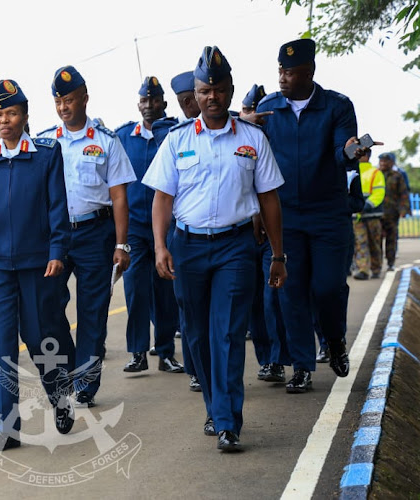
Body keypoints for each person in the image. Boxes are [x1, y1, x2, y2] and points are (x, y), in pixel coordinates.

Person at [144, 46, 286, 452]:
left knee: (226, 332)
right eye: (205, 90)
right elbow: (162, 200)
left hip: (236, 248)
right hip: (187, 247)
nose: (212, 97)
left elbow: (270, 201)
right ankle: (214, 405)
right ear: (197, 92)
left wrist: (278, 255)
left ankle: (227, 421)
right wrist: (159, 246)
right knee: (196, 334)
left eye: (219, 89)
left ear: (230, 90)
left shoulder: (253, 139)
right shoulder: (177, 141)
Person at [0, 79, 76, 452]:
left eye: (11, 113)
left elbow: (58, 207)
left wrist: (57, 251)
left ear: (25, 116)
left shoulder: (45, 155)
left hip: (35, 264)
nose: (4, 120)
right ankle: (7, 429)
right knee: (1, 348)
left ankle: (60, 397)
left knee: (40, 338)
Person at [252, 38, 363, 391]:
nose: (282, 77)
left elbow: (342, 149)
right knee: (290, 290)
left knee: (328, 287)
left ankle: (334, 340)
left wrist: (351, 151)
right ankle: (301, 366)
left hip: (329, 213)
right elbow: (255, 163)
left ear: (309, 72)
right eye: (280, 70)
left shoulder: (337, 107)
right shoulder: (268, 109)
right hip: (284, 217)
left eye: (289, 71)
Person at [38, 66, 135, 407]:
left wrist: (122, 244)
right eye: (58, 101)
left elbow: (120, 195)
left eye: (69, 100)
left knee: (93, 312)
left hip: (96, 233)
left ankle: (86, 384)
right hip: (57, 235)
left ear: (84, 98)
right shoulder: (45, 143)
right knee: (49, 307)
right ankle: (65, 365)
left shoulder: (106, 141)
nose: (64, 107)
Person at [115, 76, 184, 375]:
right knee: (135, 290)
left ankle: (166, 352)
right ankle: (137, 352)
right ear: (138, 103)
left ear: (163, 104)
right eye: (144, 100)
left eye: (154, 100)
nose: (149, 105)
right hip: (133, 227)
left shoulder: (172, 134)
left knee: (164, 290)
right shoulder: (123, 137)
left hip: (164, 227)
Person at [238, 84, 290, 384]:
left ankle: (278, 358)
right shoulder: (232, 135)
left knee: (273, 298)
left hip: (271, 232)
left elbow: (271, 191)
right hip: (242, 231)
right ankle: (267, 359)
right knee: (253, 302)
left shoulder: (276, 142)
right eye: (248, 112)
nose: (253, 117)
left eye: (258, 113)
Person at [166, 70, 204, 392]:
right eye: (183, 103)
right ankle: (195, 369)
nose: (190, 107)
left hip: (229, 237)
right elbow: (162, 196)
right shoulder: (176, 137)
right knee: (188, 309)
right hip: (182, 234)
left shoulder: (236, 129)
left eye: (193, 99)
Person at [352, 149, 385, 280]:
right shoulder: (351, 172)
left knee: (374, 242)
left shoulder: (376, 173)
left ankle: (376, 268)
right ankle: (363, 270)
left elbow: (379, 193)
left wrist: (366, 206)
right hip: (356, 216)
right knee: (360, 243)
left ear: (367, 156)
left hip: (372, 215)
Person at [378, 152, 411, 271]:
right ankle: (377, 265)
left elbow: (404, 194)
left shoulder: (398, 176)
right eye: (381, 161)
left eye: (386, 161)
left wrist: (404, 210)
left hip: (392, 213)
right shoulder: (375, 174)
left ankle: (390, 263)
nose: (383, 163)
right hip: (377, 213)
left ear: (392, 162)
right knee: (377, 239)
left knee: (391, 239)